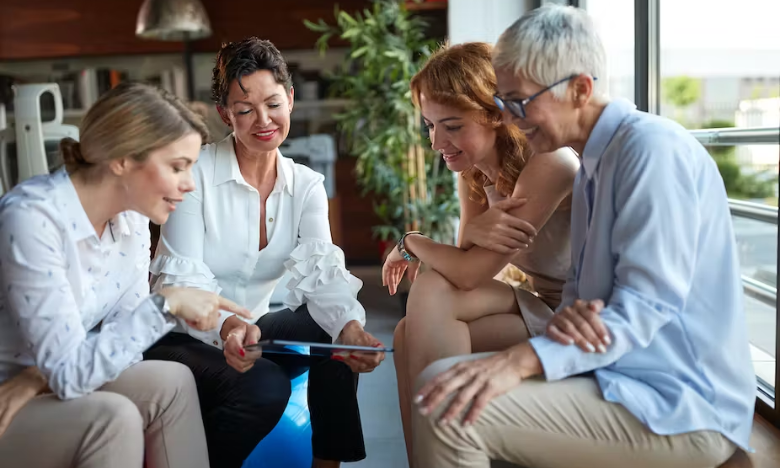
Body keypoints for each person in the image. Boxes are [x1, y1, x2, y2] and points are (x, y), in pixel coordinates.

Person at [410, 5, 756, 468]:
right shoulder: (595, 161)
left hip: (678, 403)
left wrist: (520, 360)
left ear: (580, 88)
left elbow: (644, 306)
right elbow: (582, 303)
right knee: (444, 379)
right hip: (620, 375)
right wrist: (568, 323)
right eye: (504, 103)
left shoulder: (651, 151)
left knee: (449, 410)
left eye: (519, 102)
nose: (511, 118)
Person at [145, 37, 384, 468]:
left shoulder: (306, 184)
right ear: (224, 114)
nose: (263, 120)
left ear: (290, 99)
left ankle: (326, 464)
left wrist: (350, 328)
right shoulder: (194, 173)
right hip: (180, 337)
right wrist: (227, 325)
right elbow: (181, 285)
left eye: (273, 103)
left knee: (332, 330)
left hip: (249, 332)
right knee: (268, 385)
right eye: (244, 109)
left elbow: (323, 273)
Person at [0, 82, 251, 468]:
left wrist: (38, 376)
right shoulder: (32, 220)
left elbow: (124, 347)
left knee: (172, 380)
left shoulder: (131, 219)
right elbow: (71, 372)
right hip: (7, 400)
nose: (190, 184)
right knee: (112, 418)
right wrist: (167, 303)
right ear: (121, 160)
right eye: (177, 166)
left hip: (42, 382)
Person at [384, 41, 581, 466]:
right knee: (410, 325)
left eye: (452, 126)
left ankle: (443, 455)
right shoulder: (474, 169)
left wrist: (411, 242)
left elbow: (469, 273)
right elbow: (460, 267)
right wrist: (470, 229)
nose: (437, 142)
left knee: (415, 319)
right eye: (430, 126)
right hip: (539, 304)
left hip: (582, 321)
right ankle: (435, 456)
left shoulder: (550, 163)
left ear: (496, 114)